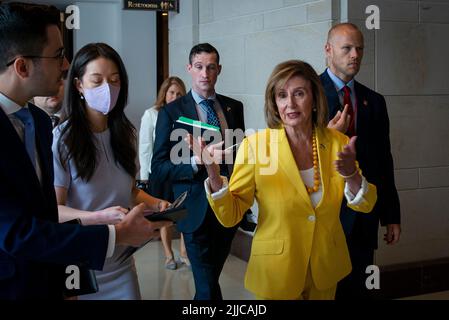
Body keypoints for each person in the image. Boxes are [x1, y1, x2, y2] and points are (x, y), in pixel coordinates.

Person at [0, 2, 170, 299]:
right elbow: (18, 232)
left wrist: (153, 207)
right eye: (57, 56)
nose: (65, 65)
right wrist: (111, 229)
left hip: (73, 269)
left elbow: (44, 214)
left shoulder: (37, 122)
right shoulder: (60, 136)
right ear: (22, 66)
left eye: (115, 80)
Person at [188, 60, 378, 300]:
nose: (290, 103)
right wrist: (214, 176)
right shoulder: (256, 147)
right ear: (274, 103)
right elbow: (231, 214)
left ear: (314, 98)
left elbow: (366, 204)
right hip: (277, 271)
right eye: (282, 95)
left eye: (299, 93)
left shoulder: (337, 143)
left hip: (325, 268)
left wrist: (352, 175)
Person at [52, 42, 171, 300]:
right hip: (81, 262)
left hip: (120, 261)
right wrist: (98, 216)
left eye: (114, 80)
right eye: (97, 81)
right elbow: (55, 210)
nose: (108, 89)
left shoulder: (125, 134)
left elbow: (128, 191)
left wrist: (158, 203)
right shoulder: (62, 139)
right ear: (78, 85)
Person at [151, 43, 246, 300]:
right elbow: (158, 167)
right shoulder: (171, 112)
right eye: (200, 67)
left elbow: (239, 158)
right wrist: (196, 161)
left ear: (219, 70)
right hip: (195, 211)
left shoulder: (233, 107)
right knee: (206, 286)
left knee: (209, 282)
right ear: (189, 69)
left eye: (211, 67)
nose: (205, 74)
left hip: (227, 206)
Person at [321, 23, 401, 299]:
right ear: (328, 50)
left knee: (359, 290)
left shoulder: (375, 101)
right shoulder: (306, 95)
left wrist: (391, 215)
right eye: (347, 48)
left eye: (360, 48)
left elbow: (383, 162)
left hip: (365, 215)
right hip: (324, 215)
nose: (355, 55)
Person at [139, 76, 189, 270]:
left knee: (185, 213)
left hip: (181, 171)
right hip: (160, 173)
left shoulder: (185, 116)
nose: (175, 96)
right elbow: (145, 147)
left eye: (179, 94)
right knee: (165, 215)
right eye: (171, 92)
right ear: (164, 94)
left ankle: (184, 253)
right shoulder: (152, 114)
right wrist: (145, 177)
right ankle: (169, 255)